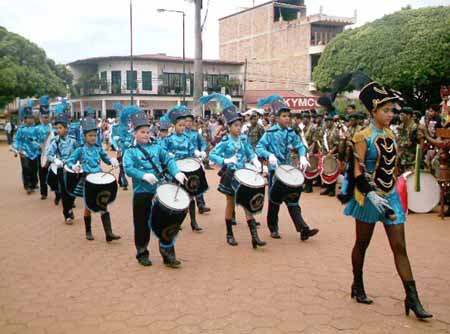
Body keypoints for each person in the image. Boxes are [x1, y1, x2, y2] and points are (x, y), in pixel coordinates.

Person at [343, 82, 432, 319]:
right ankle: (357, 284)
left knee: (400, 246)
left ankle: (412, 298)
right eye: (386, 110)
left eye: (392, 110)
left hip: (390, 196)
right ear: (373, 111)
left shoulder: (391, 134)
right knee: (362, 243)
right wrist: (371, 194)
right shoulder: (362, 136)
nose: (391, 115)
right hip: (369, 197)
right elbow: (358, 172)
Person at [123, 109, 187, 267]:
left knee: (166, 222)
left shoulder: (157, 147)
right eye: (142, 132)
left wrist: (177, 172)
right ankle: (142, 252)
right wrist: (142, 175)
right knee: (141, 224)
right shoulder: (130, 151)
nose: (145, 134)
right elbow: (128, 168)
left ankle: (168, 253)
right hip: (142, 192)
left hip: (159, 191)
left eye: (147, 131)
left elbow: (169, 159)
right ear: (135, 133)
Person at [256, 95, 319, 241]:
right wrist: (269, 155)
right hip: (275, 172)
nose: (287, 119)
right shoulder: (270, 133)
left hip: (289, 171)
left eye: (288, 116)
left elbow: (300, 146)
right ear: (277, 118)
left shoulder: (292, 133)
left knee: (293, 200)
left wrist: (303, 155)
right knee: (274, 201)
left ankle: (303, 229)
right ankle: (273, 229)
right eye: (284, 116)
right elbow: (259, 147)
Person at [208, 95, 266, 249]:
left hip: (243, 174)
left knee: (248, 205)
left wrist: (254, 160)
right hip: (230, 176)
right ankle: (229, 234)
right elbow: (212, 154)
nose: (239, 128)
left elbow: (250, 152)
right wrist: (224, 161)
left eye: (240, 125)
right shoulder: (225, 142)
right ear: (229, 127)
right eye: (236, 126)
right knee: (231, 204)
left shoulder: (244, 139)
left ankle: (255, 237)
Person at [67, 117, 121, 242]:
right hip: (87, 181)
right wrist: (74, 166)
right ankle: (88, 231)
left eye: (94, 135)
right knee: (88, 207)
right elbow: (69, 161)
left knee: (103, 205)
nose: (93, 138)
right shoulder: (80, 149)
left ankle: (109, 233)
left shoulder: (98, 149)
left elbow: (106, 159)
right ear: (84, 136)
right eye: (90, 135)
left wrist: (113, 161)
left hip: (99, 181)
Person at [160, 106, 203, 232]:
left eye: (184, 125)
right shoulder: (168, 139)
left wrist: (196, 153)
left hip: (187, 170)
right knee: (176, 195)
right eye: (180, 125)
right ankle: (175, 221)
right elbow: (162, 152)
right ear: (174, 126)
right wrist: (169, 155)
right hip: (174, 170)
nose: (182, 128)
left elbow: (191, 150)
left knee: (191, 195)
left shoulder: (187, 139)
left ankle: (193, 222)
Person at [46, 112, 78, 224]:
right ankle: (67, 214)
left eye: (60, 128)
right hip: (61, 169)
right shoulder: (55, 141)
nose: (58, 130)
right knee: (64, 191)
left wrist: (77, 163)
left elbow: (78, 153)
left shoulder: (73, 141)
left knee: (73, 191)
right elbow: (49, 154)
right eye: (57, 128)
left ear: (66, 128)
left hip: (72, 169)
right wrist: (55, 160)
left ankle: (70, 208)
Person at [184, 111, 211, 214]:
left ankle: (200, 204)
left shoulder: (196, 134)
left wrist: (203, 151)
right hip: (185, 161)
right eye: (186, 121)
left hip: (196, 160)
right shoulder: (181, 134)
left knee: (198, 181)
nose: (189, 123)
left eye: (190, 121)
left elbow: (204, 143)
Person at [14, 102, 40, 194]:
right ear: (25, 119)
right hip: (24, 152)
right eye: (28, 118)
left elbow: (39, 140)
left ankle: (34, 183)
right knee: (26, 168)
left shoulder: (37, 129)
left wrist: (39, 146)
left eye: (32, 118)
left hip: (35, 152)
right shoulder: (21, 129)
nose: (30, 120)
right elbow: (17, 140)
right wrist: (18, 149)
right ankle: (28, 185)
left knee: (34, 168)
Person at [111, 103, 133, 191]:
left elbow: (131, 137)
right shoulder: (115, 127)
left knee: (125, 165)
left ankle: (120, 180)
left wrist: (127, 142)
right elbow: (113, 138)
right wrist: (116, 147)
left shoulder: (129, 128)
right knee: (121, 165)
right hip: (120, 149)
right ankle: (124, 182)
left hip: (127, 149)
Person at [35, 96, 52, 200]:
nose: (46, 119)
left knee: (54, 173)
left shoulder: (52, 128)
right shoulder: (36, 128)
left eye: (47, 117)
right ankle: (43, 192)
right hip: (40, 154)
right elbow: (33, 141)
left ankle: (56, 190)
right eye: (44, 117)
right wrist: (39, 145)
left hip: (51, 154)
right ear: (40, 118)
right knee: (42, 173)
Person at [397, 107, 418, 175]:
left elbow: (412, 142)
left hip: (411, 156)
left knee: (409, 175)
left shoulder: (414, 127)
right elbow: (399, 139)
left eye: (402, 115)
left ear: (408, 115)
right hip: (401, 154)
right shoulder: (401, 126)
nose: (400, 117)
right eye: (400, 115)